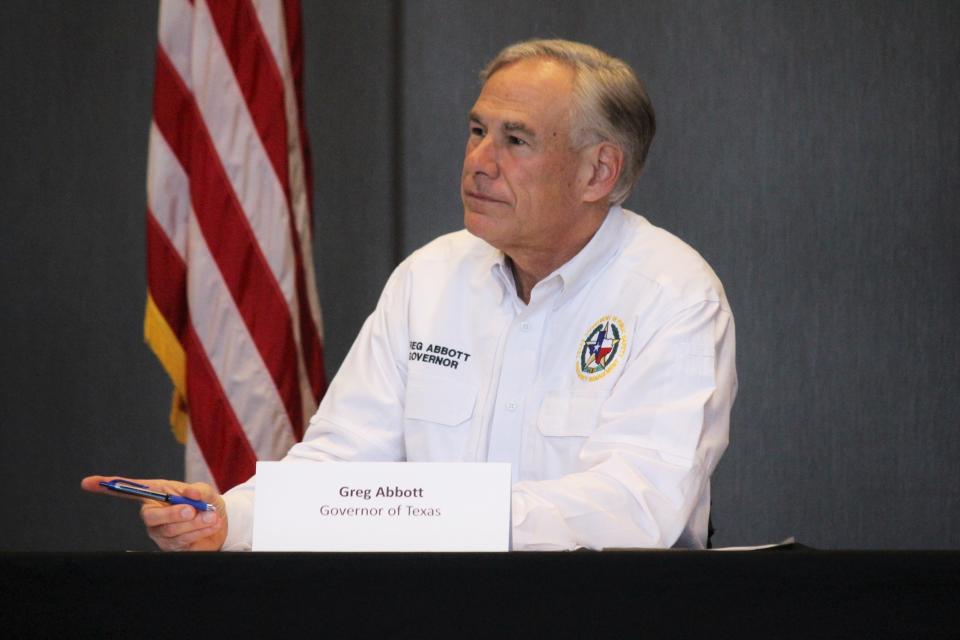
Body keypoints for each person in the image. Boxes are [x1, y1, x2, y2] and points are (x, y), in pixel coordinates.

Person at [83, 38, 736, 552]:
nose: (479, 160)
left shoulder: (671, 294)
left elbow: (639, 504)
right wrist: (232, 518)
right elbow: (341, 462)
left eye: (516, 140)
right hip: (425, 609)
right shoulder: (429, 278)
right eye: (477, 131)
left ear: (599, 170)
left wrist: (447, 513)